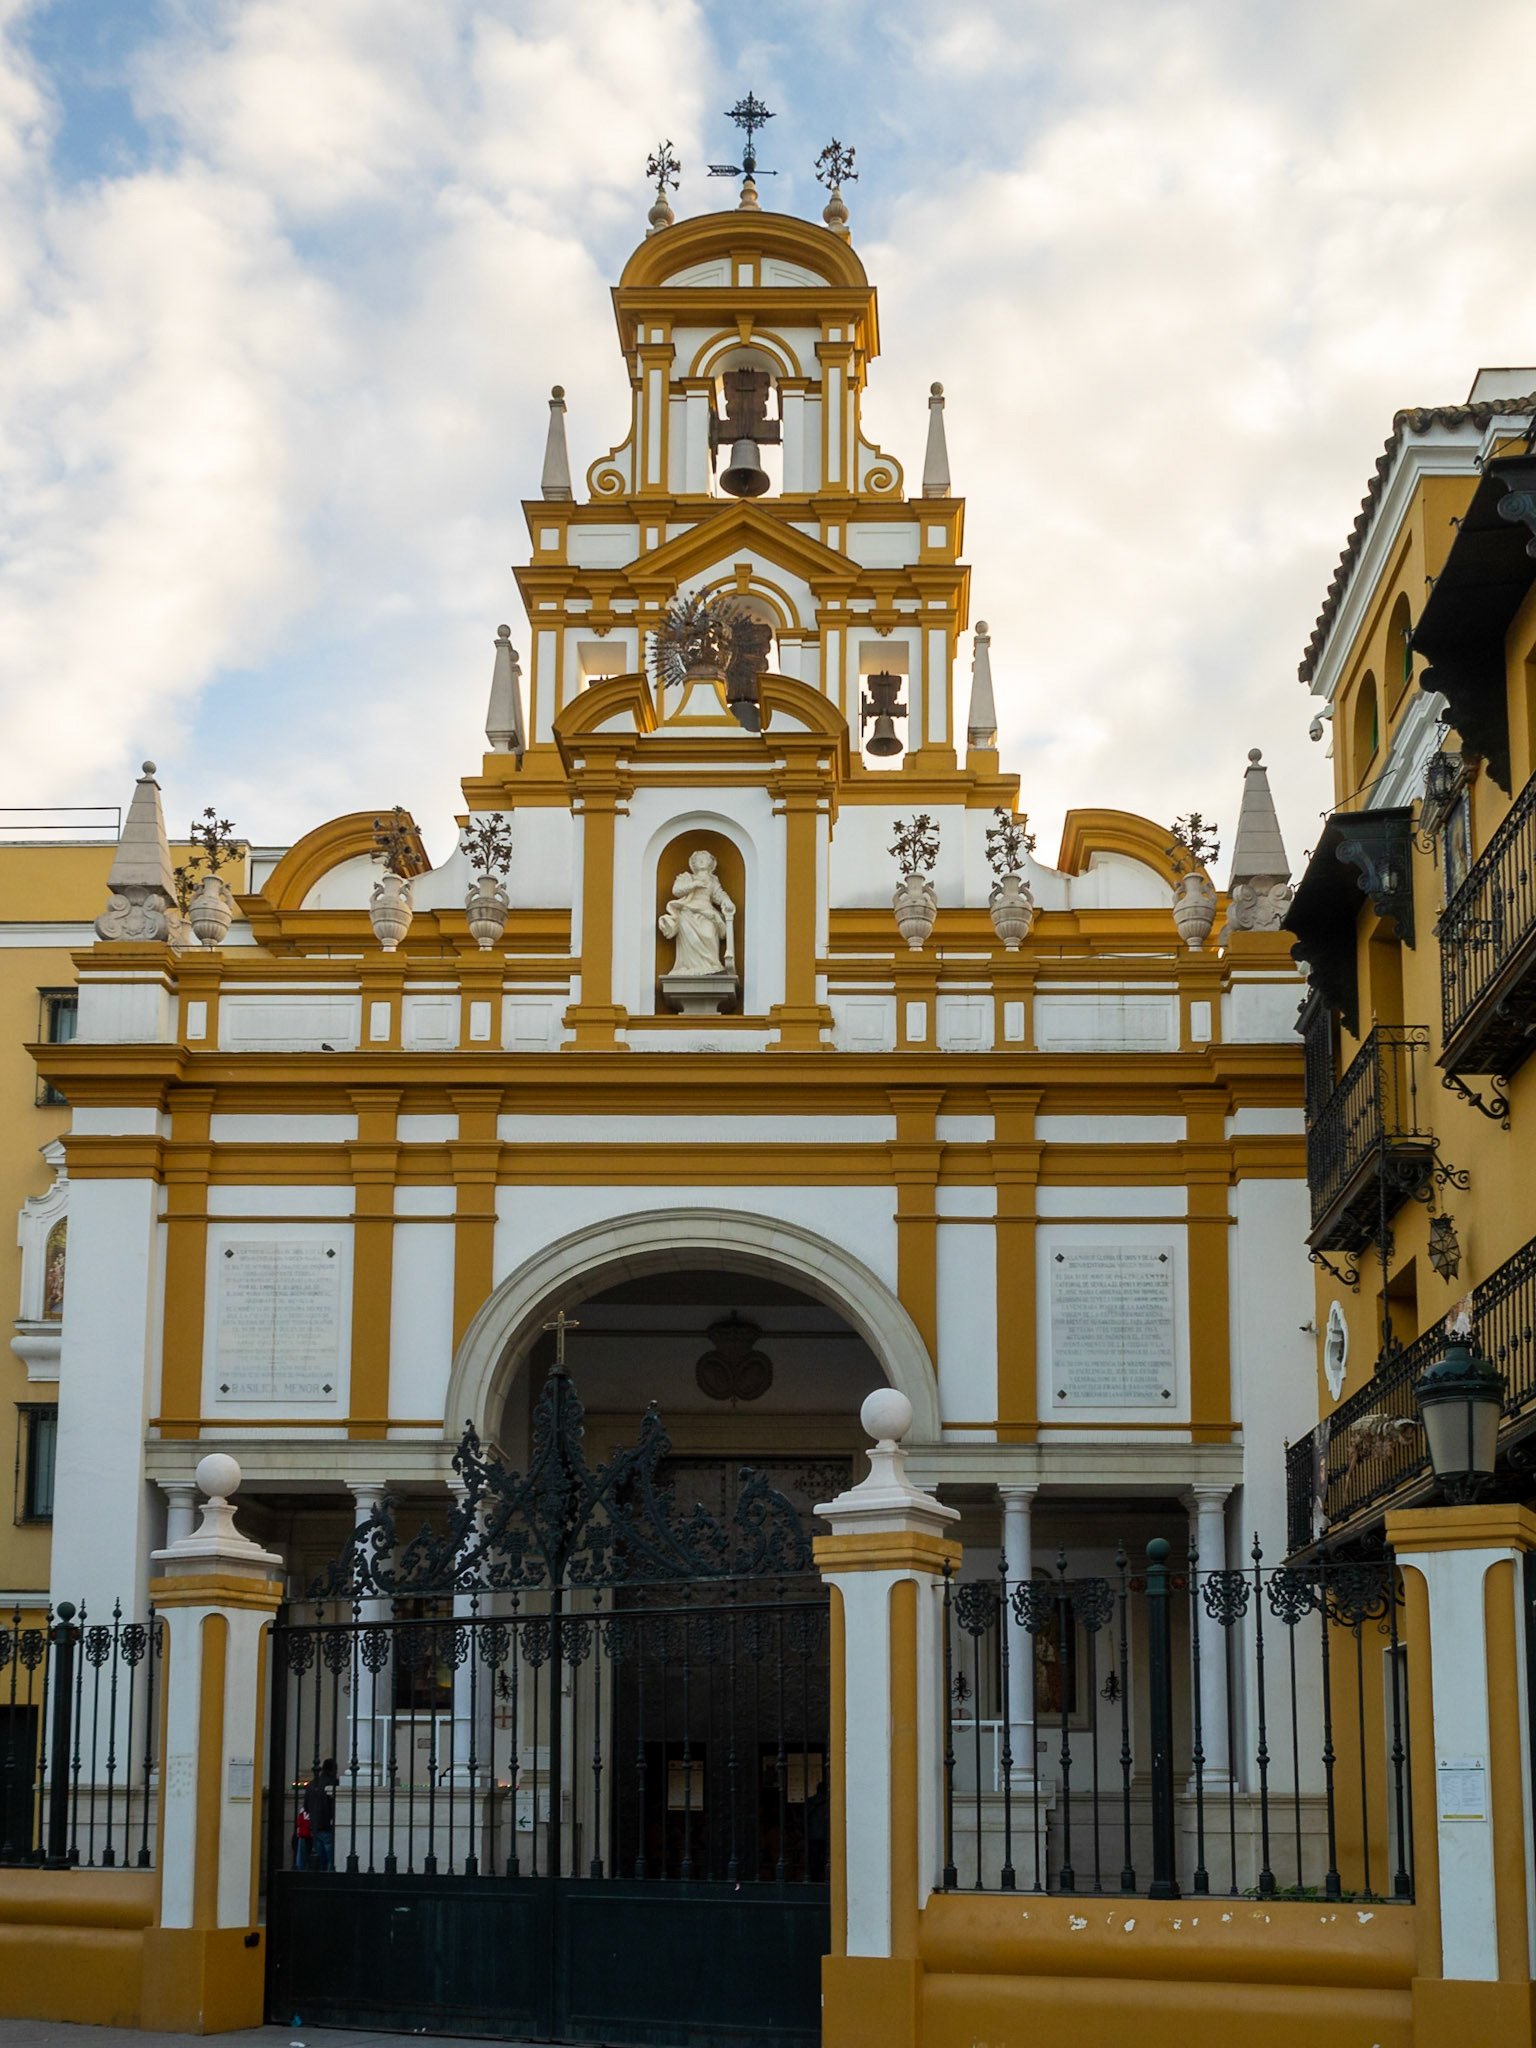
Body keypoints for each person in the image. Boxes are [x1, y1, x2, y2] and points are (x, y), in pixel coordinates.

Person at [300, 1758, 336, 1871]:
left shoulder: (311, 1784)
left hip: (314, 1827)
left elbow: (306, 1807)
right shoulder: (333, 1783)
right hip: (327, 1825)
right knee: (331, 1860)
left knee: (320, 1860)